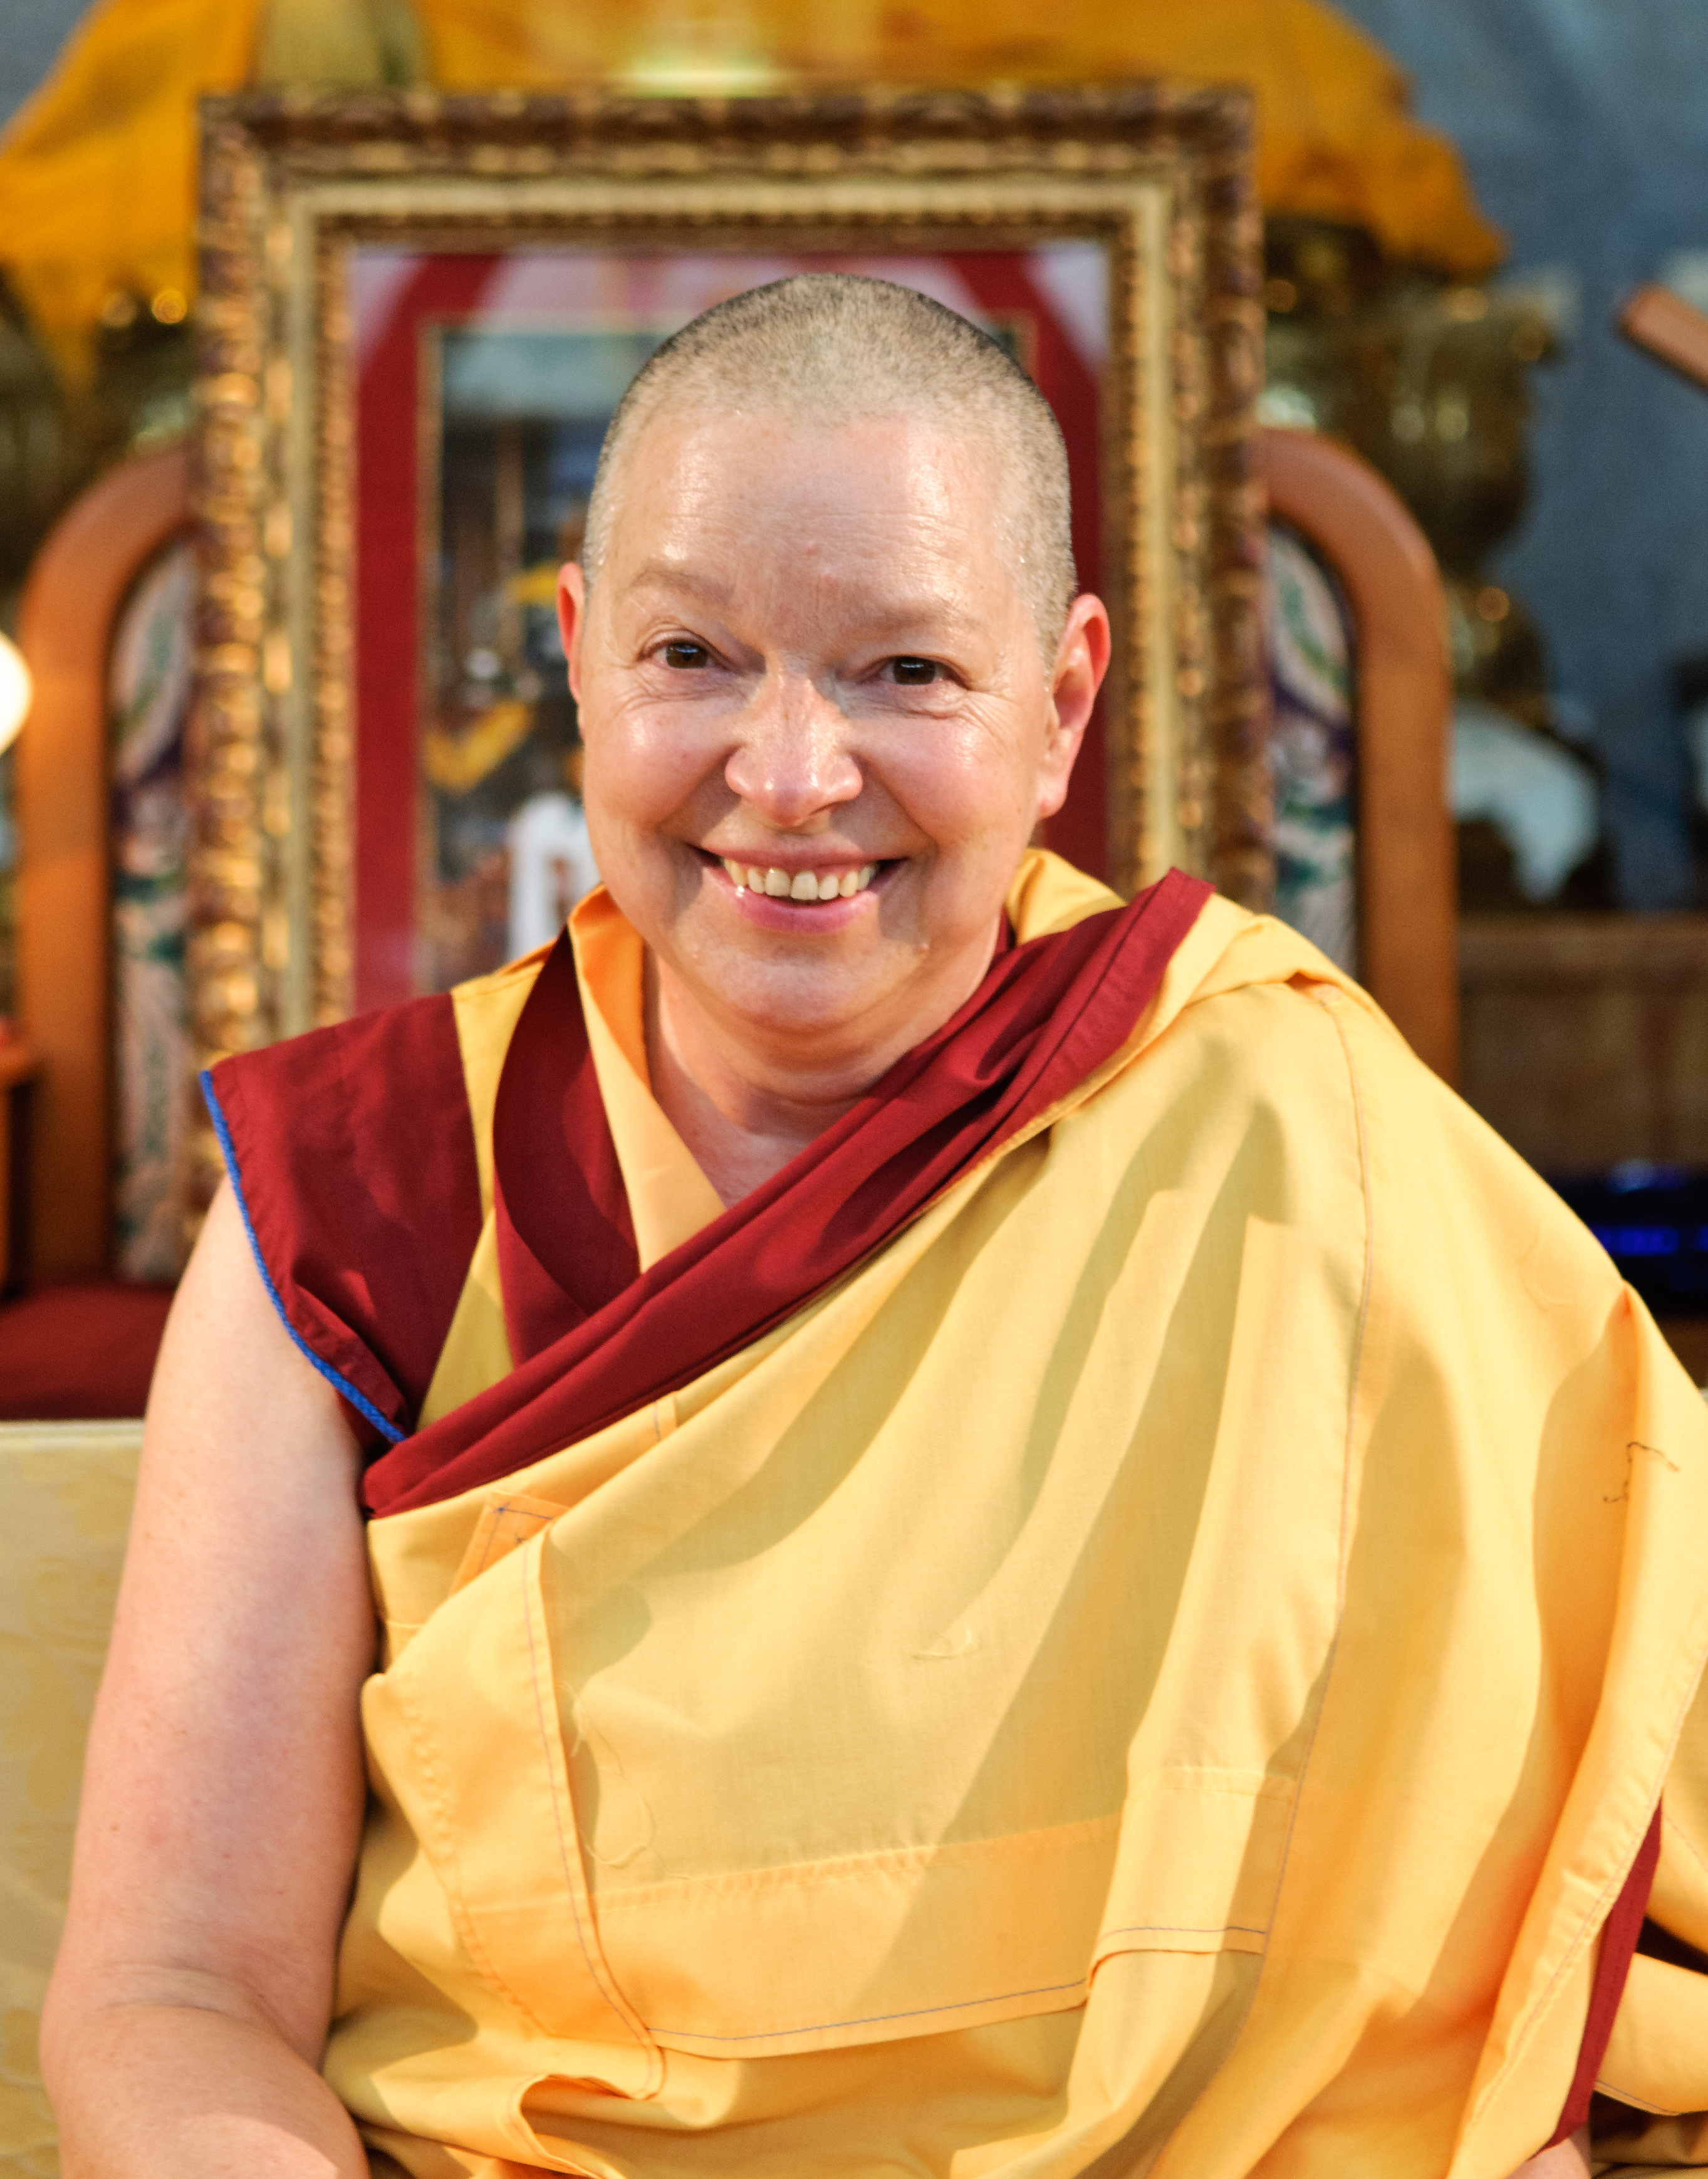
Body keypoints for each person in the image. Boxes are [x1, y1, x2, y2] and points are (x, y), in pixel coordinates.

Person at [39, 276, 1708, 2179]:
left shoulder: (1293, 1128)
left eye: (904, 672)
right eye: (692, 655)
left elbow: (1595, 1832)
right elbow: (179, 1992)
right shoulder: (368, 1195)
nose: (790, 776)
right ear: (578, 658)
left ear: (1060, 705)